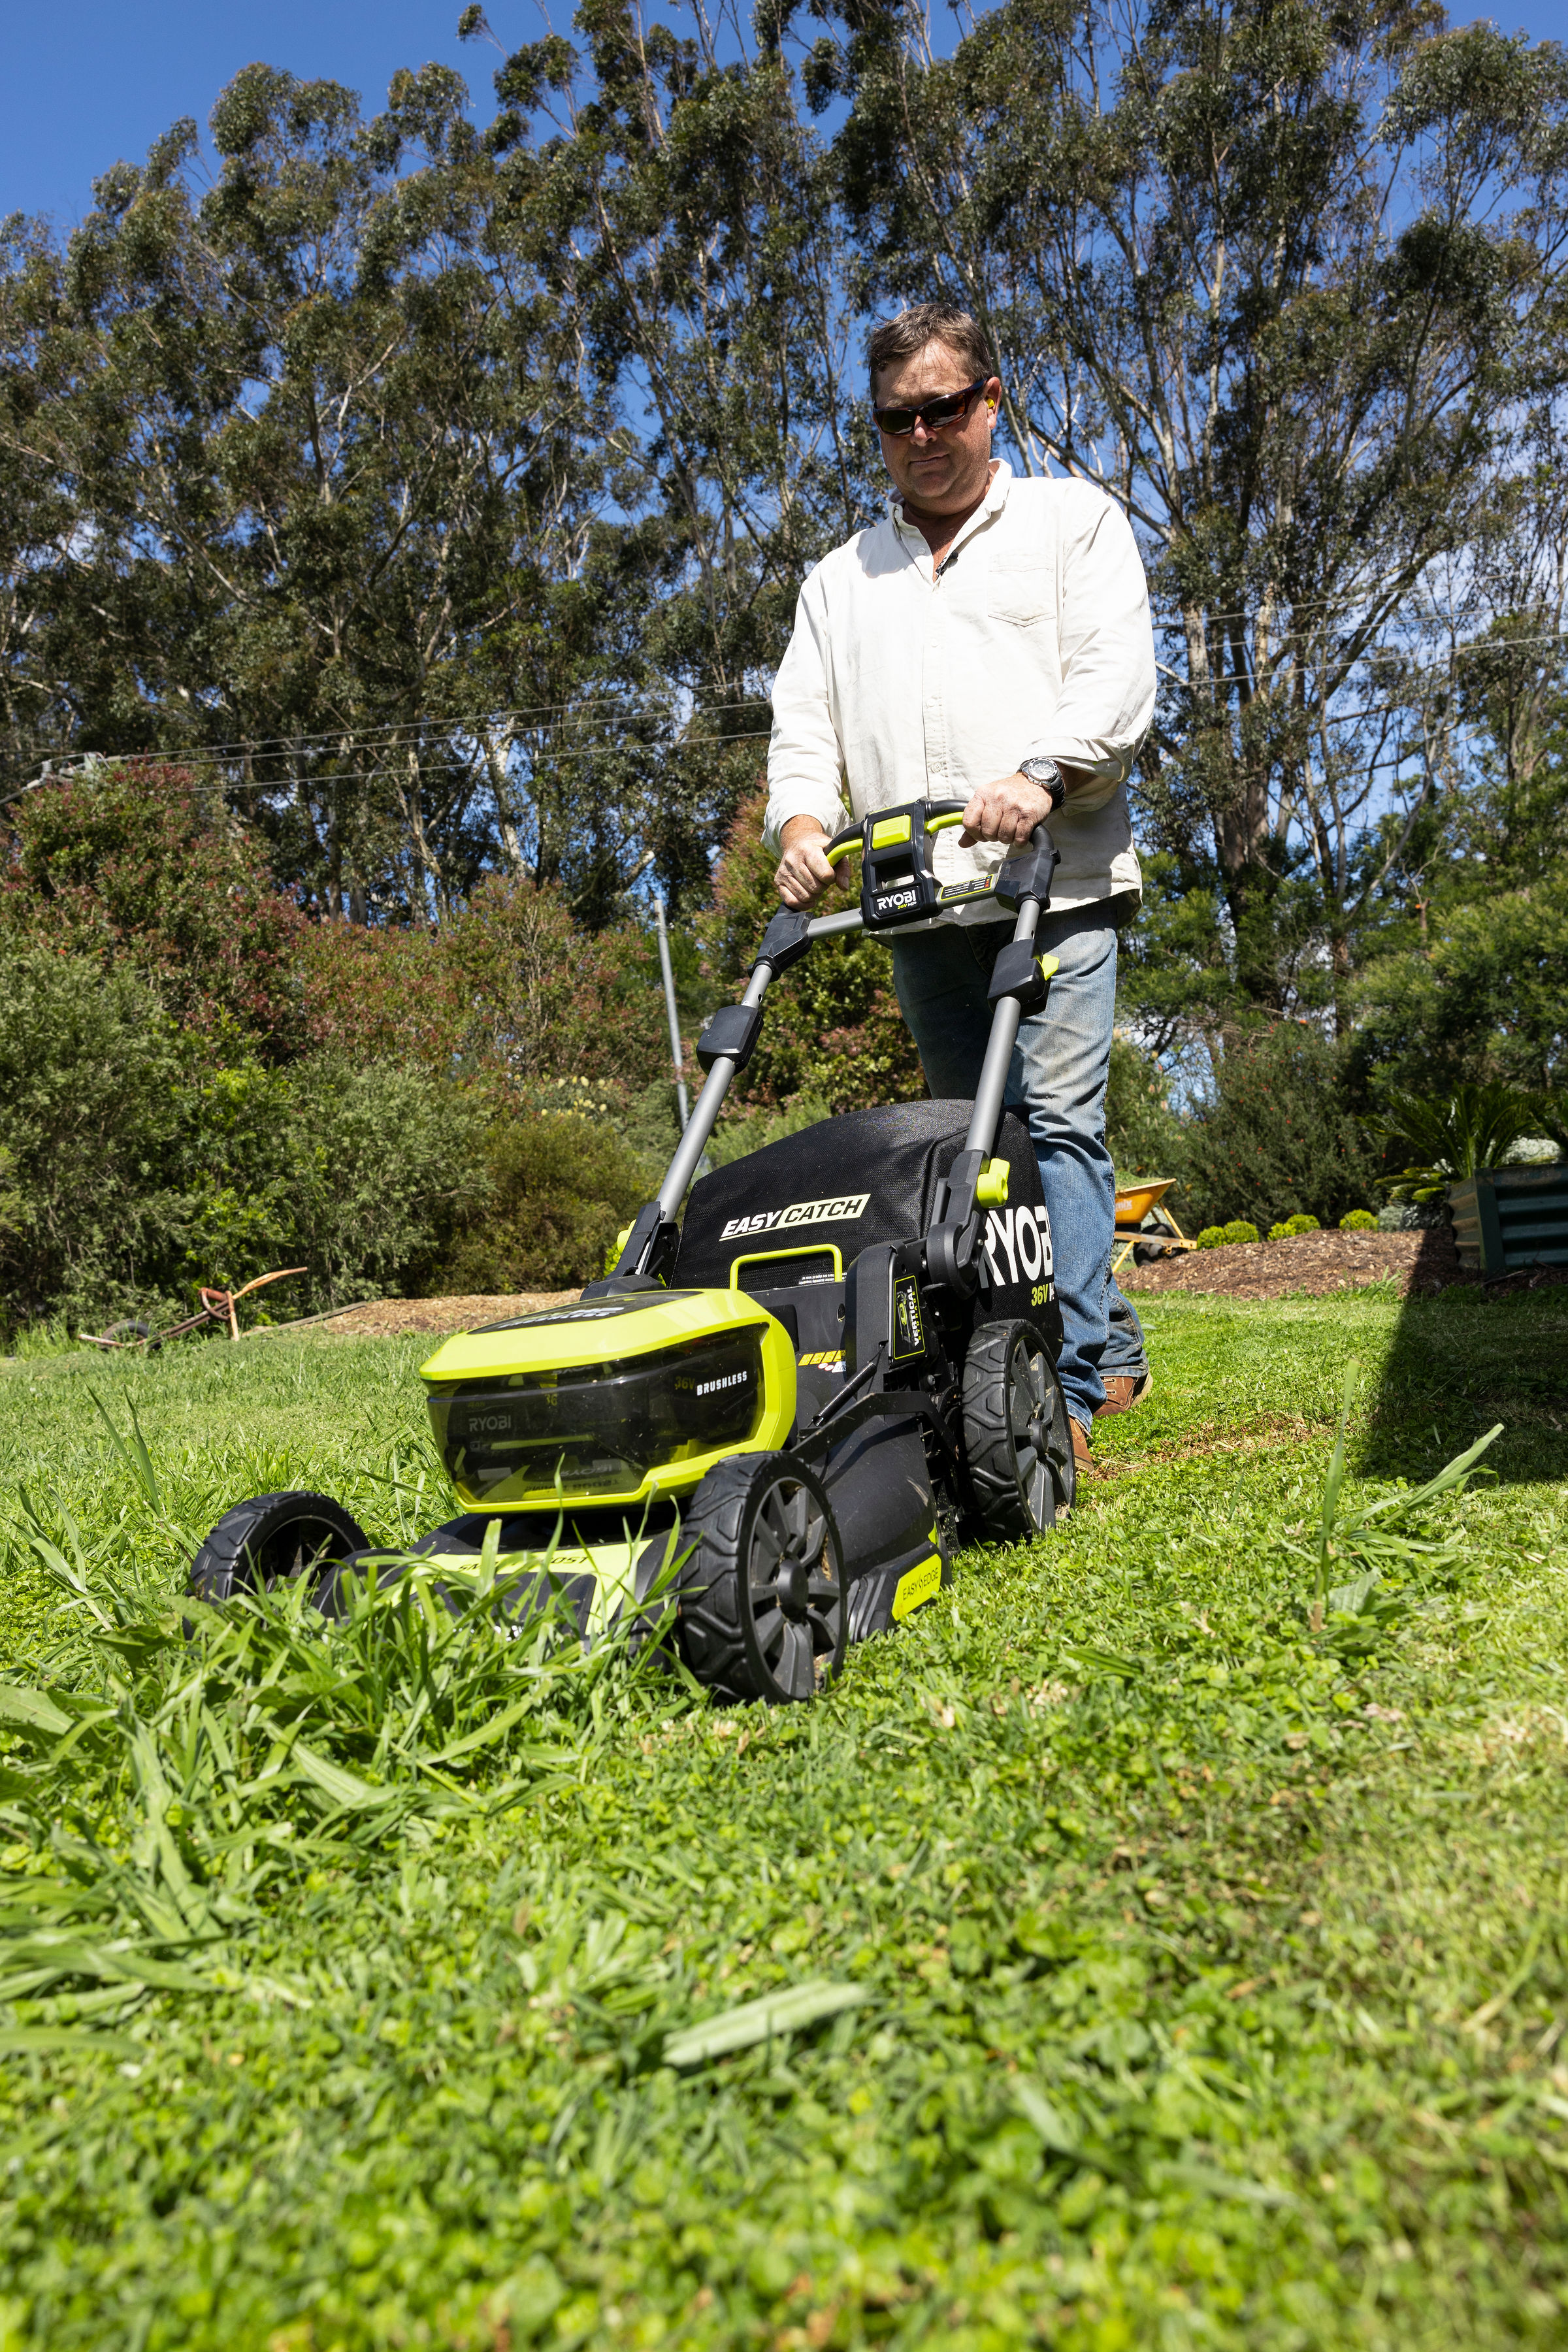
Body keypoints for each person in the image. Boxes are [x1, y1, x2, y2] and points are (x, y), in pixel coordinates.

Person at [765, 301, 1156, 1470]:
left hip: (1059, 880)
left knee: (1058, 1124)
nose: (923, 434)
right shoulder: (841, 581)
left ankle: (1072, 1379)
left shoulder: (1069, 523)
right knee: (978, 1144)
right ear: (878, 428)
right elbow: (805, 725)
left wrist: (1041, 774)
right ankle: (1096, 1332)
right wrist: (800, 826)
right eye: (898, 418)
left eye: (945, 407)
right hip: (923, 902)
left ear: (992, 403)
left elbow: (1116, 677)